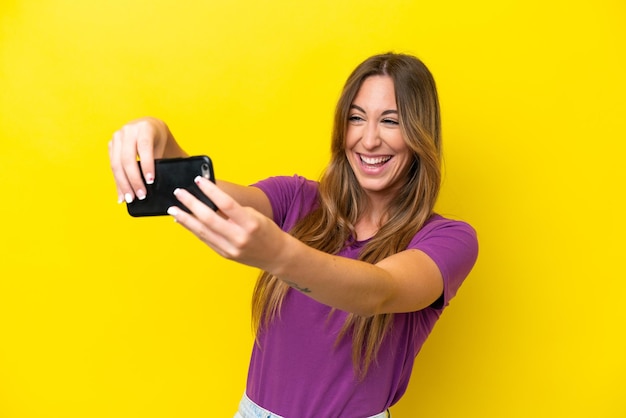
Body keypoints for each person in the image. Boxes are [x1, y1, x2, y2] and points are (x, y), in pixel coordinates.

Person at [108, 52, 478, 418]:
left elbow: (379, 291)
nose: (368, 140)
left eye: (390, 121)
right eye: (356, 118)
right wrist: (159, 136)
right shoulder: (297, 198)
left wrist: (280, 255)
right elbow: (210, 197)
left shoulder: (448, 240)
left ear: (420, 132)